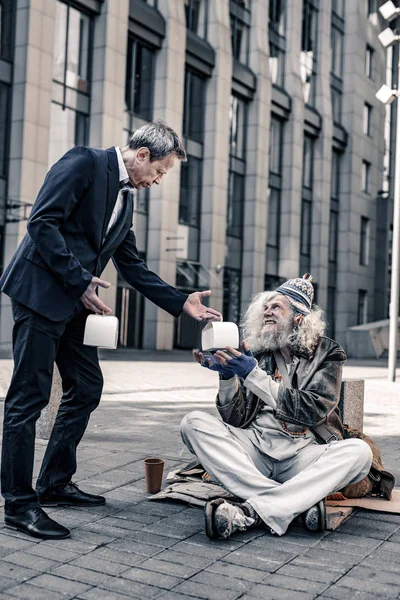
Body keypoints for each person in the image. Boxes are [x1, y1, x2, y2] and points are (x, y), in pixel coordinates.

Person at [0, 120, 222, 540]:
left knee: (85, 387)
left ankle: (54, 483)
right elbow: (41, 223)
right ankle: (19, 504)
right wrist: (79, 279)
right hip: (41, 294)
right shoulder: (84, 162)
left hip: (73, 304)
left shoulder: (127, 201)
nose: (158, 181)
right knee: (27, 397)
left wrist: (181, 301)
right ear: (142, 156)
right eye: (160, 171)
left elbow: (132, 266)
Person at [181, 274, 372, 539]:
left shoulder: (328, 354)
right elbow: (236, 419)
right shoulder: (258, 353)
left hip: (303, 454)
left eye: (276, 307)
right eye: (266, 307)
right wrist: (226, 376)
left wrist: (252, 375)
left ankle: (249, 511)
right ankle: (294, 501)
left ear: (298, 318)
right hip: (255, 451)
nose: (267, 311)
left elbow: (311, 411)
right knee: (192, 423)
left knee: (360, 453)